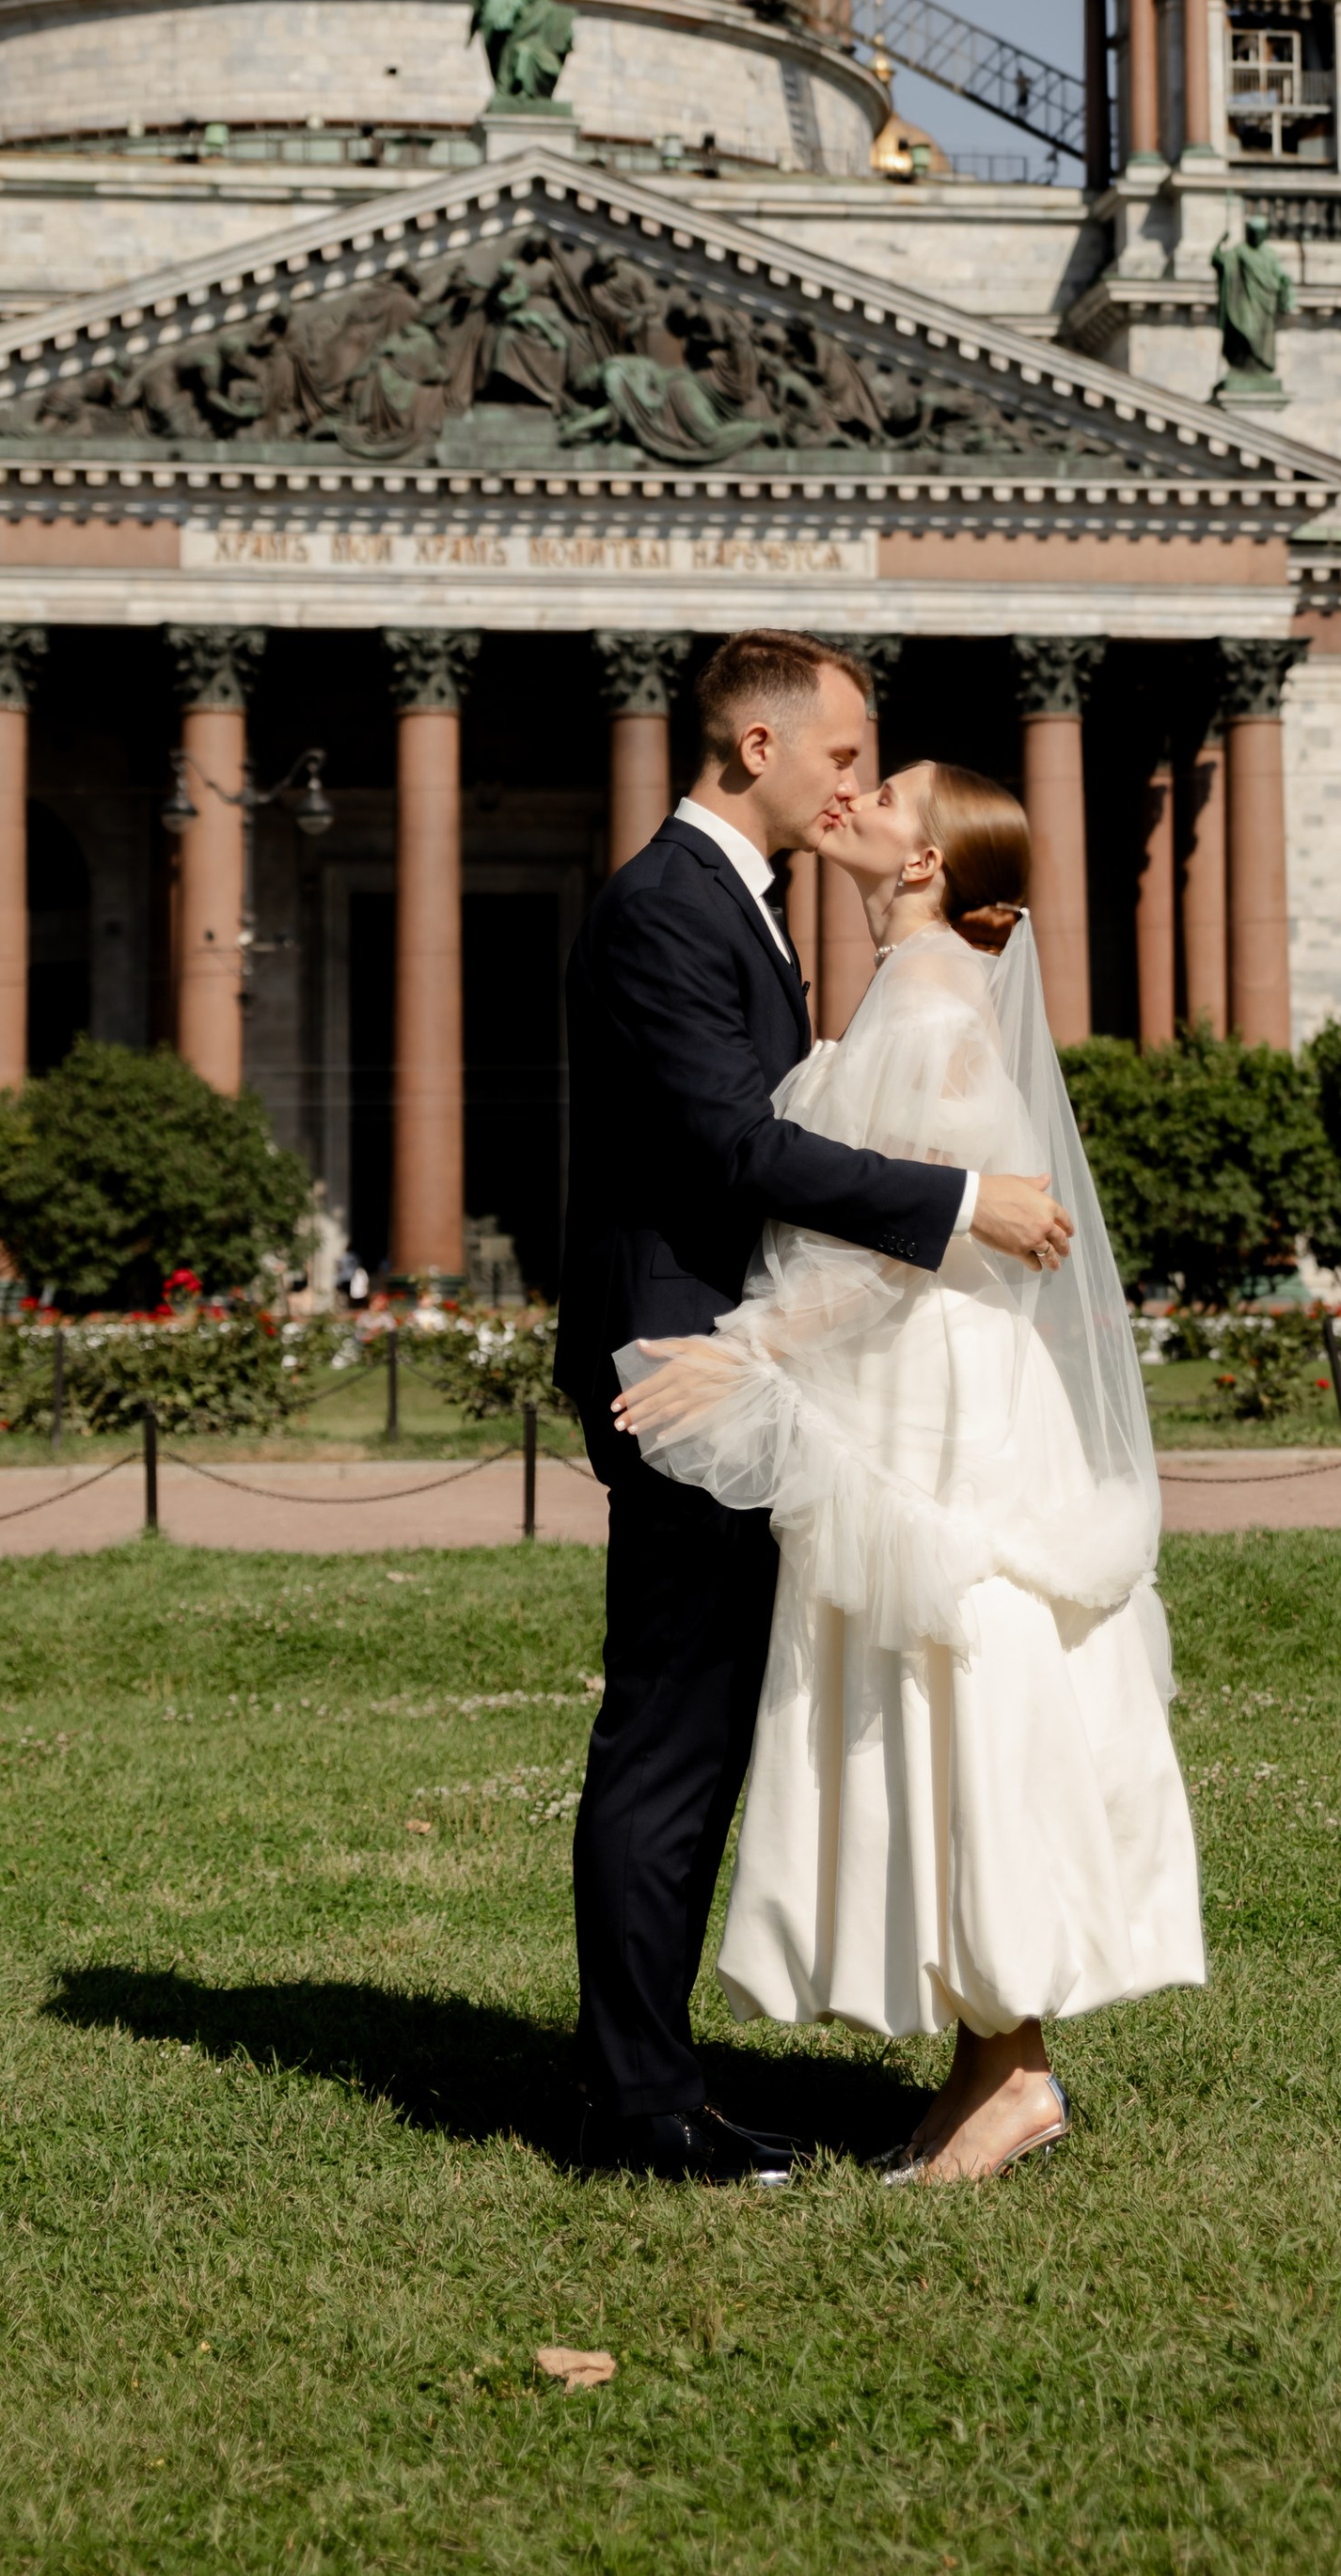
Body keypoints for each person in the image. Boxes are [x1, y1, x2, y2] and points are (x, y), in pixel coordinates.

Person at [615, 759, 1204, 2181]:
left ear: (927, 856)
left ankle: (1013, 2074)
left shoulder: (931, 996)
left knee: (964, 1694)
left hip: (940, 1393)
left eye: (885, 789)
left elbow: (898, 1240)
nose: (855, 792)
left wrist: (742, 1352)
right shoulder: (919, 983)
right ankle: (985, 2074)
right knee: (944, 1700)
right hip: (926, 1382)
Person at [558, 631, 1075, 2187]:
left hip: (749, 1378)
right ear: (757, 749)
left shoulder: (736, 907)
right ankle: (639, 2107)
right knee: (666, 1742)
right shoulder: (668, 907)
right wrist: (964, 1195)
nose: (855, 780)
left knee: (702, 1740)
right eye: (844, 753)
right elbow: (727, 1152)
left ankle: (666, 2081)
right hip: (696, 1378)